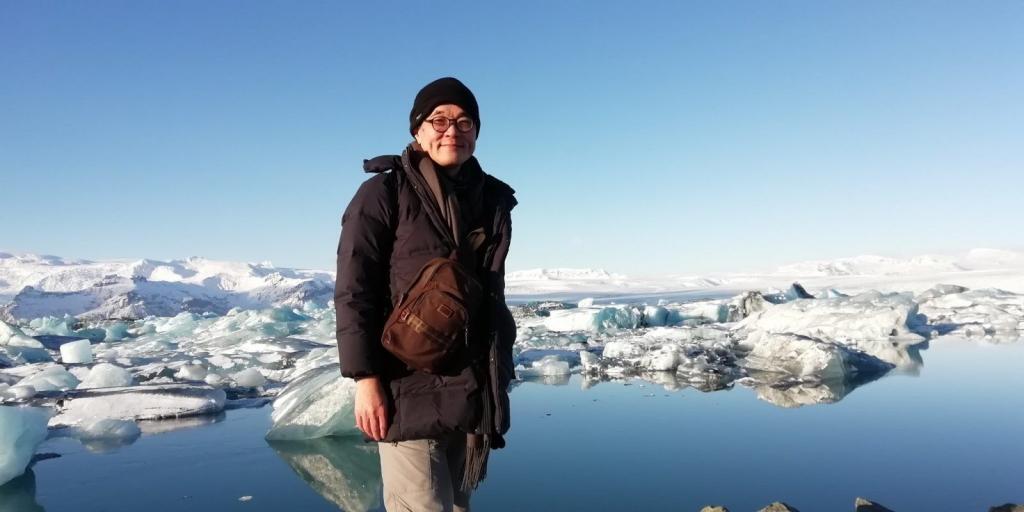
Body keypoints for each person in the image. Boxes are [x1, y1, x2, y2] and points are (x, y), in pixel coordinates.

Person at [334, 77, 518, 512]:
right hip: (406, 384)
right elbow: (354, 290)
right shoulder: (384, 193)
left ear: (476, 132)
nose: (451, 130)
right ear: (417, 130)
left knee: (457, 506)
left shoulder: (491, 201)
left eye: (464, 121)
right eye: (439, 120)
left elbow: (490, 296)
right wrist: (366, 379)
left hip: (470, 385)